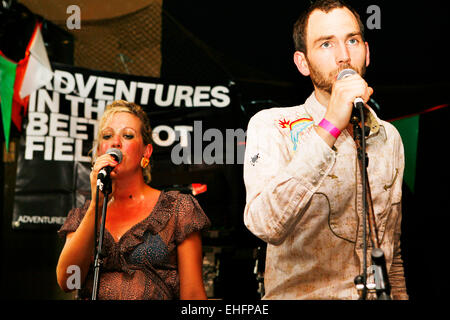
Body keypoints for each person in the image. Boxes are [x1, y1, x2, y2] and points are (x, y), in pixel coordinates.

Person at [243, 0, 408, 300]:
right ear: (302, 63)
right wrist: (331, 124)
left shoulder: (389, 136)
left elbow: (391, 253)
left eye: (353, 40)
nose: (344, 56)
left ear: (367, 52)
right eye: (326, 44)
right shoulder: (272, 126)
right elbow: (265, 224)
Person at [56, 100, 210, 300]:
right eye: (107, 136)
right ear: (100, 150)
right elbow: (68, 282)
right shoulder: (84, 215)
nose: (115, 143)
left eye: (127, 135)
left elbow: (193, 294)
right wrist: (97, 205)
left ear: (146, 152)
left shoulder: (177, 209)